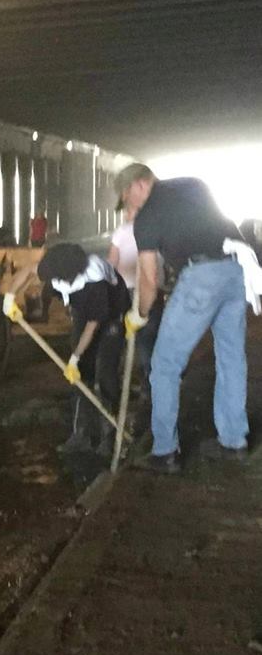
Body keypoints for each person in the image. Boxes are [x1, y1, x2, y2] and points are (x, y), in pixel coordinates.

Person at [119, 163, 259, 472]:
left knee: (164, 365)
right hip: (236, 269)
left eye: (127, 196)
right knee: (231, 357)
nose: (129, 204)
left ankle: (165, 451)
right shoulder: (193, 184)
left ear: (140, 184)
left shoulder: (147, 217)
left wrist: (138, 315)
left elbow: (150, 281)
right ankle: (234, 441)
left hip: (201, 277)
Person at [4, 243, 129, 455]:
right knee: (80, 376)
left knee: (104, 373)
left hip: (111, 316)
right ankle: (81, 435)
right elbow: (28, 271)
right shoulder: (57, 267)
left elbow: (93, 325)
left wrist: (75, 357)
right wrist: (10, 296)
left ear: (68, 275)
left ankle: (110, 437)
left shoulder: (94, 281)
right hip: (84, 311)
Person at [107, 203, 164, 433]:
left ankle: (134, 388)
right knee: (148, 341)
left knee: (135, 340)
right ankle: (150, 389)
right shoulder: (156, 230)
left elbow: (111, 263)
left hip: (131, 291)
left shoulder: (121, 233)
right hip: (152, 292)